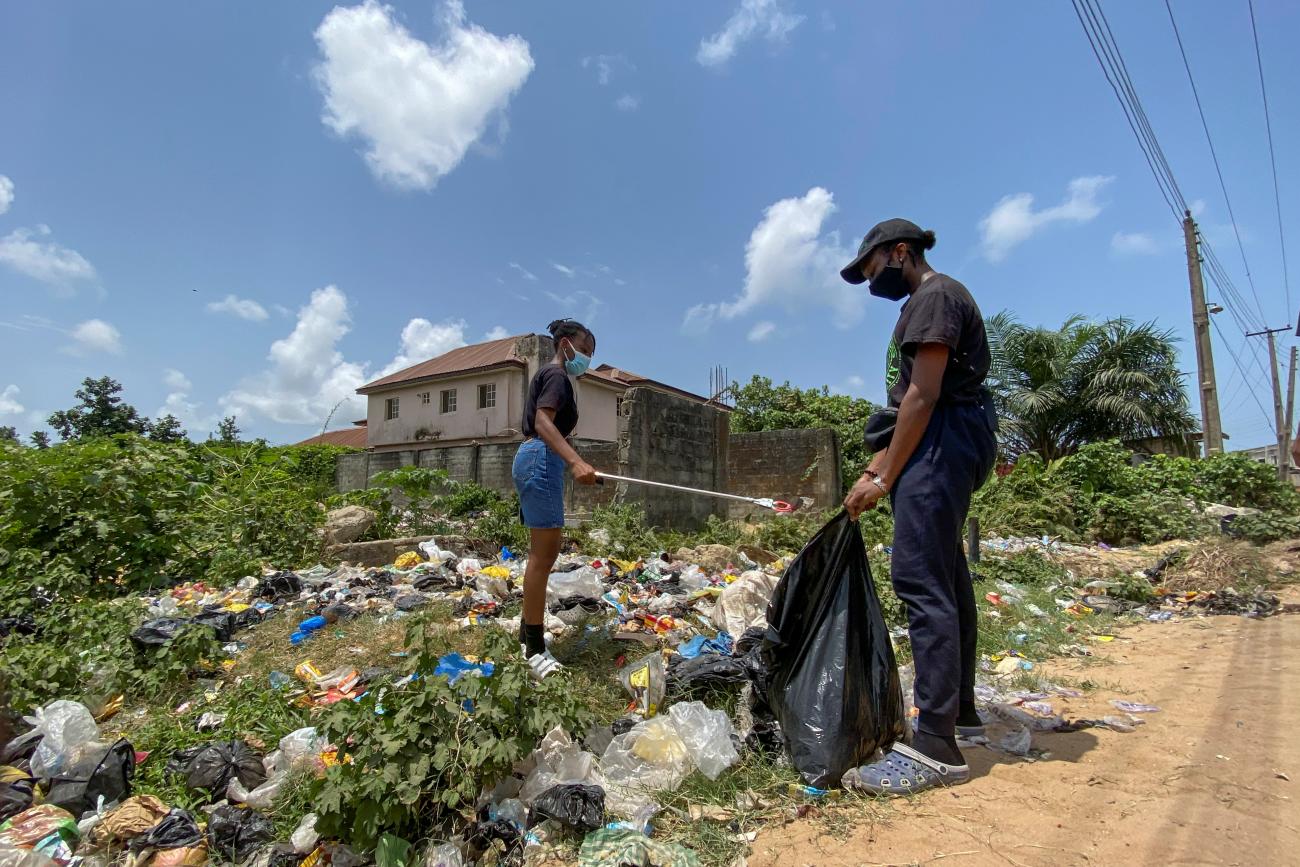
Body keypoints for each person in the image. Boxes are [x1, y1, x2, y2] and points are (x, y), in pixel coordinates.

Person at [837, 219, 997, 794]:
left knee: (920, 579)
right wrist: (876, 466)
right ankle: (963, 715)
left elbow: (923, 395)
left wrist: (881, 479)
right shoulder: (933, 299)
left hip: (941, 441)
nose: (870, 281)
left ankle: (935, 745)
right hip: (945, 439)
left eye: (873, 269)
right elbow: (912, 400)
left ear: (900, 252)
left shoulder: (934, 297)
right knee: (947, 578)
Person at [512, 319, 599, 676]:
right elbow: (543, 422)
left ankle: (524, 634)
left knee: (541, 553)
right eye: (585, 350)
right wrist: (576, 461)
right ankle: (534, 649)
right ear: (565, 344)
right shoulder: (557, 376)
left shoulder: (553, 377)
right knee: (543, 556)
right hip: (541, 458)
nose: (587, 359)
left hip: (536, 458)